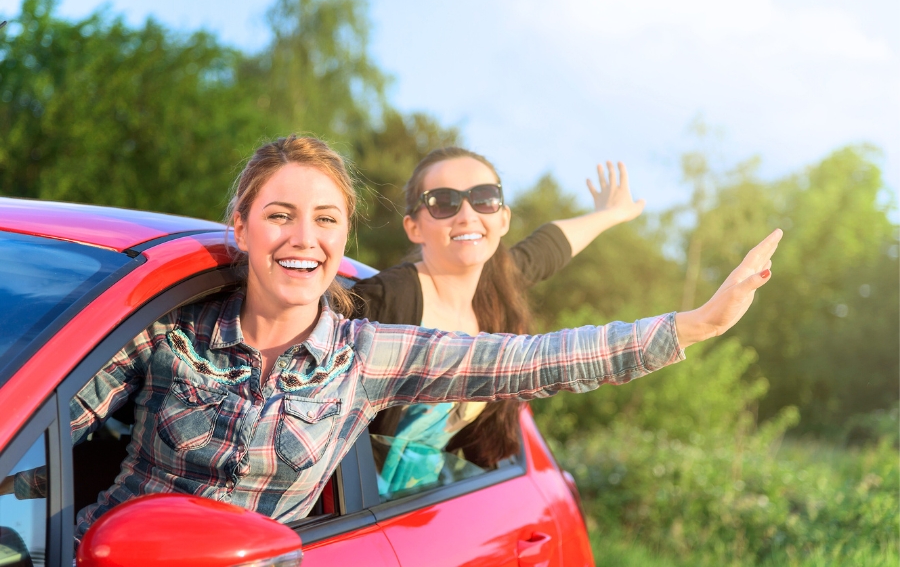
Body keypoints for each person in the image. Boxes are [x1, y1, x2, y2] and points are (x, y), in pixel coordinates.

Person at [1, 135, 781, 543]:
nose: (302, 237)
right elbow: (40, 425)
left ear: (343, 239)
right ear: (240, 225)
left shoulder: (368, 351)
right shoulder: (170, 328)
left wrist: (699, 322)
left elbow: (541, 355)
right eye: (279, 215)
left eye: (326, 219)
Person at [351, 147, 646, 495]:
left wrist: (610, 214)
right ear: (414, 227)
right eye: (443, 202)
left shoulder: (495, 292)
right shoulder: (386, 301)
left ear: (502, 218)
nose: (466, 215)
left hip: (420, 510)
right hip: (355, 517)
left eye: (484, 199)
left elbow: (546, 250)